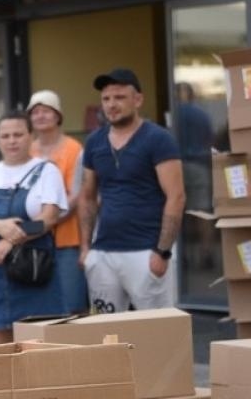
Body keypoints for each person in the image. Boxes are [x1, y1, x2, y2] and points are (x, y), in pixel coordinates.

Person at [78, 69, 185, 313]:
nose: (111, 105)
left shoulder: (158, 139)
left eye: (119, 98)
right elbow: (87, 196)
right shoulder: (95, 141)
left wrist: (163, 251)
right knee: (106, 334)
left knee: (159, 333)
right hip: (104, 251)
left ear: (137, 100)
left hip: (147, 251)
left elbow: (176, 197)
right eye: (106, 99)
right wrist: (86, 249)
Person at [0, 111, 67, 343]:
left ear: (31, 136)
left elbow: (48, 218)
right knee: (0, 351)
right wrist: (0, 225)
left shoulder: (47, 171)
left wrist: (9, 241)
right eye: (6, 135)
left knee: (40, 346)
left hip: (35, 271)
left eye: (18, 134)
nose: (12, 140)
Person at [27, 90, 88, 314]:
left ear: (58, 116)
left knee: (72, 305)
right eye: (35, 112)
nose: (40, 116)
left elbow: (76, 194)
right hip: (31, 241)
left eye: (46, 111)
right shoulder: (27, 149)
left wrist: (46, 221)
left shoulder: (74, 149)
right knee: (38, 308)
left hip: (67, 240)